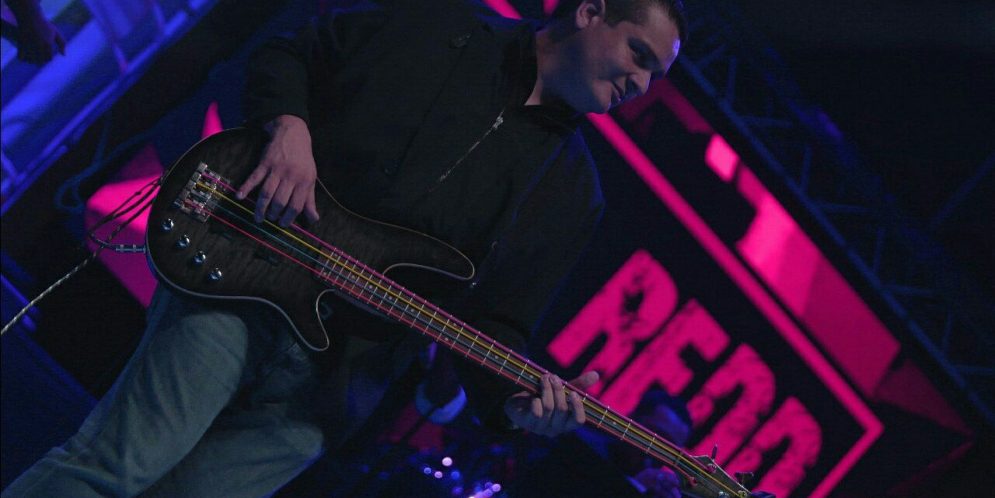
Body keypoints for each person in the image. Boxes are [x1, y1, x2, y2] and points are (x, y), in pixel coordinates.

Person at [2, 0, 685, 496]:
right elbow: (288, 53)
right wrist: (289, 126)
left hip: (336, 389)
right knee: (113, 468)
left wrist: (519, 405)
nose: (640, 83)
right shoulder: (438, 26)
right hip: (246, 280)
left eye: (654, 77)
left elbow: (498, 323)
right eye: (639, 55)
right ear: (590, 12)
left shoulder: (573, 194)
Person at [508, 387, 692, 498]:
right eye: (656, 437)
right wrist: (632, 488)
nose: (657, 452)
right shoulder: (577, 446)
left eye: (669, 450)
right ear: (632, 420)